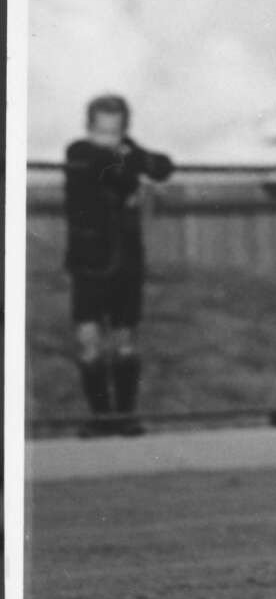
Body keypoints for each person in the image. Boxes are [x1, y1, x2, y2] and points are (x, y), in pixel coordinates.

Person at [63, 94, 174, 436]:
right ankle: (101, 419)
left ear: (123, 129)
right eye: (101, 131)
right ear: (89, 127)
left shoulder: (129, 152)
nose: (107, 139)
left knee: (126, 341)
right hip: (89, 263)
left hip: (126, 262)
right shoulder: (79, 152)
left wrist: (132, 157)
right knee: (89, 340)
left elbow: (163, 167)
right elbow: (107, 170)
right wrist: (128, 166)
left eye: (115, 132)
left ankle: (124, 417)